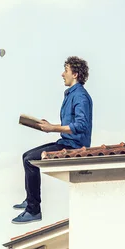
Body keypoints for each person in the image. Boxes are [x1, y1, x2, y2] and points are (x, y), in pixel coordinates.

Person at [12, 56, 93, 224]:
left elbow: (81, 125)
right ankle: (31, 199)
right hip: (66, 141)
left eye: (66, 71)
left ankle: (33, 210)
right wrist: (45, 125)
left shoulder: (80, 96)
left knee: (29, 159)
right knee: (26, 156)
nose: (62, 74)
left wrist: (52, 128)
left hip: (74, 145)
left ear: (75, 74)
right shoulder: (71, 94)